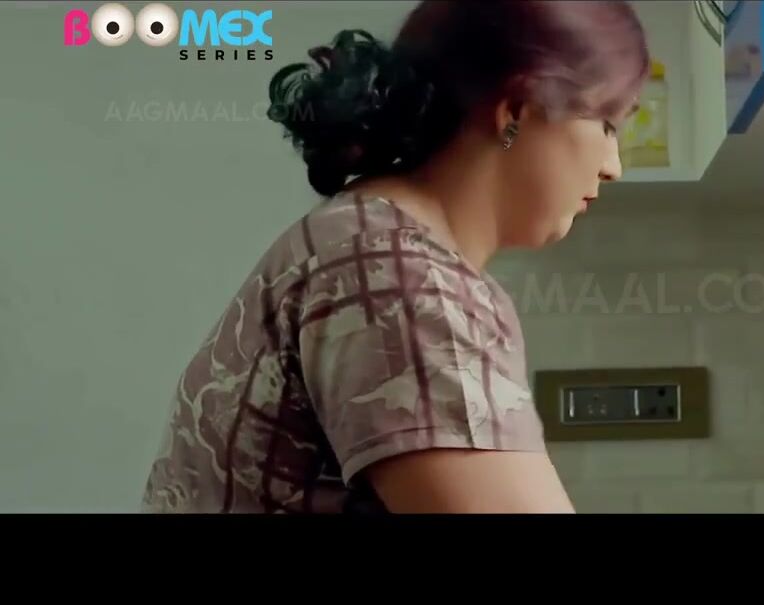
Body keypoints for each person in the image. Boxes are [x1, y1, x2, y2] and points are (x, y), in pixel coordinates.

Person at [140, 0, 650, 513]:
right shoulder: (401, 277)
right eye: (607, 123)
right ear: (517, 108)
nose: (613, 166)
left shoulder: (367, 238)